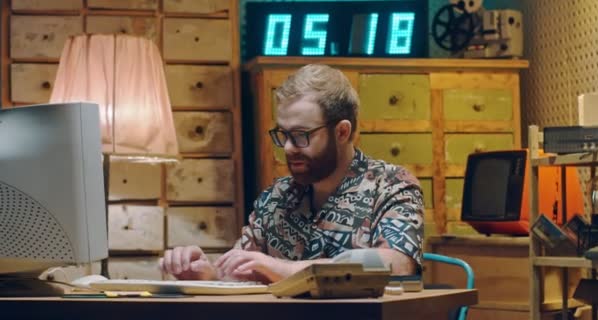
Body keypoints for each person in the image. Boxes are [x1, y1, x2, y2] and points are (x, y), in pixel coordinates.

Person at [160, 64, 424, 283]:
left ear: (342, 132)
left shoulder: (391, 185)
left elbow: (396, 264)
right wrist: (205, 274)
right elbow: (242, 268)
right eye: (283, 135)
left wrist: (280, 268)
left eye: (300, 136)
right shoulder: (278, 196)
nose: (287, 148)